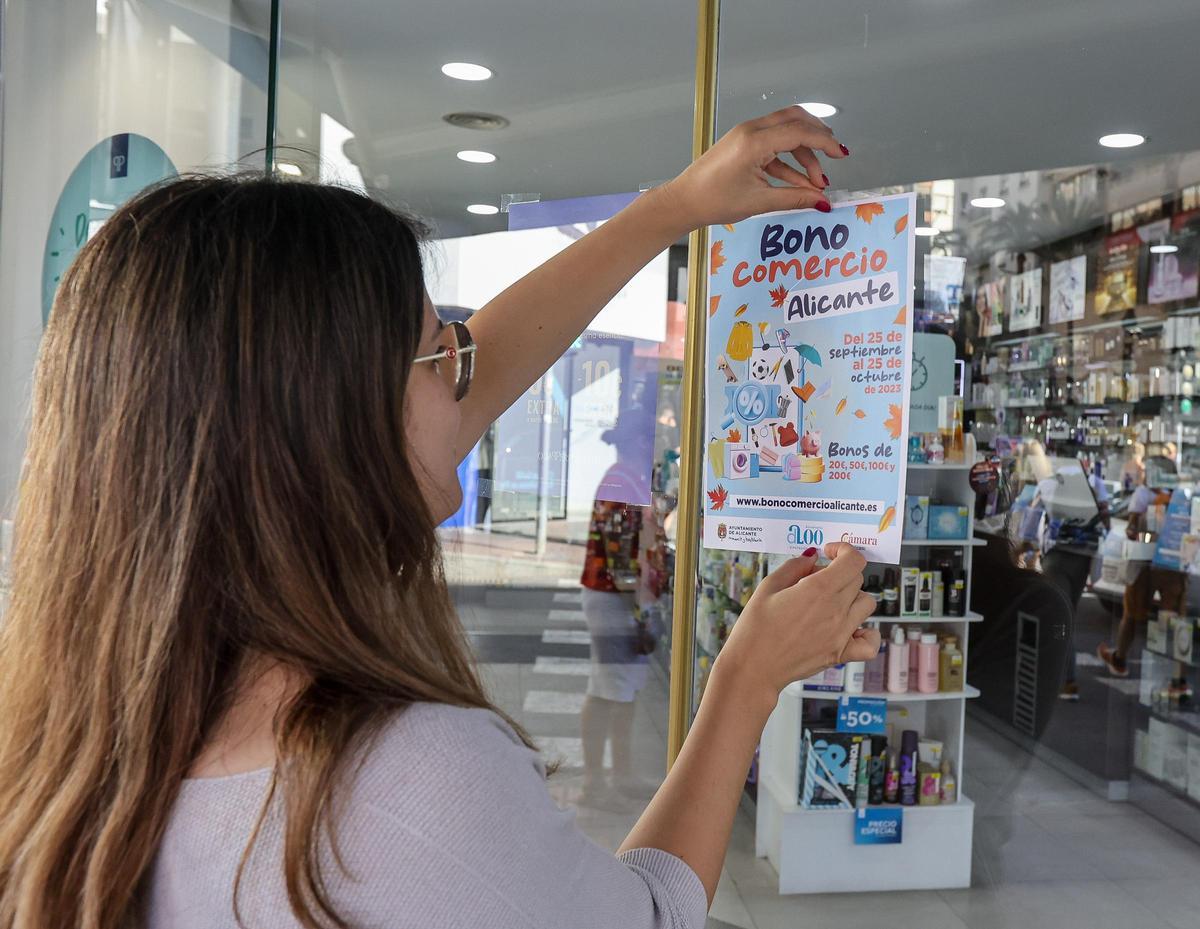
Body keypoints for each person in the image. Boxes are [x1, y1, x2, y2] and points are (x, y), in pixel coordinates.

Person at [0, 107, 877, 929]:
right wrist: (748, 676)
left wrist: (672, 210)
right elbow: (649, 914)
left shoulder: (74, 744)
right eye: (435, 349)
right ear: (335, 426)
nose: (464, 369)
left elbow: (474, 376)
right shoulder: (400, 785)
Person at [1097, 476, 1183, 677]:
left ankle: (1121, 660)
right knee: (1170, 620)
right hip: (1170, 563)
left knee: (1133, 614)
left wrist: (1142, 534)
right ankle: (1176, 678)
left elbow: (1134, 532)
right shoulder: (1177, 496)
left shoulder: (1146, 495)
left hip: (1147, 563)